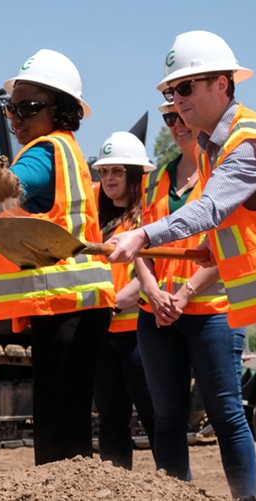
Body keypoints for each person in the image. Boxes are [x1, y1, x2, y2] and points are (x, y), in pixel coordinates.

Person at [108, 30, 256, 499]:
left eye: (186, 88)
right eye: (171, 91)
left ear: (223, 84)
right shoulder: (218, 147)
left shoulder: (246, 141)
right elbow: (238, 234)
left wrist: (144, 233)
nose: (176, 100)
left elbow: (209, 209)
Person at [0, 49, 115, 464]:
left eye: (29, 107)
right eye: (11, 107)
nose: (16, 117)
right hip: (80, 302)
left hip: (65, 304)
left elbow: (7, 185)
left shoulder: (42, 152)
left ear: (61, 111)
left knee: (56, 422)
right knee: (70, 415)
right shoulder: (67, 148)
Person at [133, 102, 256, 498]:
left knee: (227, 416)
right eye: (168, 118)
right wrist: (152, 293)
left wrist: (184, 295)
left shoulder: (222, 171)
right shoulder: (154, 182)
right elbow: (140, 245)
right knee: (166, 418)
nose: (176, 123)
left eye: (181, 114)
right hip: (157, 315)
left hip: (212, 313)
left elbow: (229, 245)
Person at [91, 131, 156, 470]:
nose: (109, 179)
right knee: (111, 418)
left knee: (152, 414)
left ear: (134, 175)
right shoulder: (96, 220)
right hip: (105, 332)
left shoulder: (146, 219)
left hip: (137, 330)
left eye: (117, 171)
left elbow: (149, 273)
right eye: (104, 172)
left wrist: (114, 303)